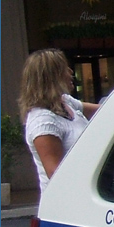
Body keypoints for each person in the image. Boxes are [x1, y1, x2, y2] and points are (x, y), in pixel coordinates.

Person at [18, 48, 98, 192]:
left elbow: (103, 110)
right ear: (53, 77)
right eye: (65, 68)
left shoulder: (66, 102)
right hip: (69, 204)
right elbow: (56, 174)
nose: (70, 72)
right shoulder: (43, 122)